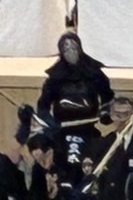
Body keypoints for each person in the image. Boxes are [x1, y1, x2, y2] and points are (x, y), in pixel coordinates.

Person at [37, 33, 113, 177]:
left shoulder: (94, 73)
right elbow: (43, 106)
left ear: (80, 49)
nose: (70, 52)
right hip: (63, 132)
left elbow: (107, 97)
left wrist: (105, 113)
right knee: (64, 172)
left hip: (88, 132)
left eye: (74, 48)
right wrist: (49, 123)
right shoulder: (55, 77)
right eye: (66, 49)